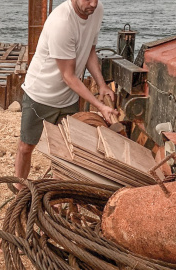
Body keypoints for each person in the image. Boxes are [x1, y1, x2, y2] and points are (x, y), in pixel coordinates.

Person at [14, 0, 118, 189]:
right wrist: (100, 106)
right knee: (27, 146)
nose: (93, 4)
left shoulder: (96, 9)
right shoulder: (61, 22)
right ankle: (20, 191)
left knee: (66, 150)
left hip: (69, 97)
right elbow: (68, 76)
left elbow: (89, 50)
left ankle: (59, 196)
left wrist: (102, 85)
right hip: (41, 95)